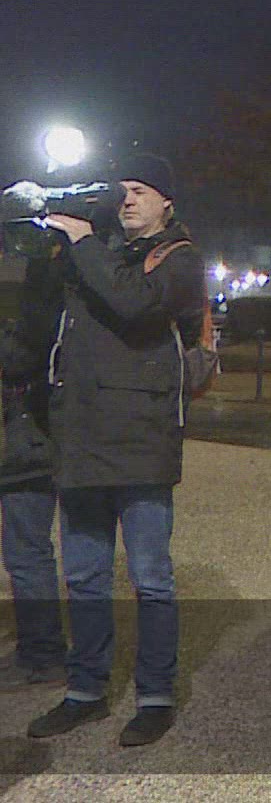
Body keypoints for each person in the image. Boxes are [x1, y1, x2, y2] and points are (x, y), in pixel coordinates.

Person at [28, 153, 205, 747]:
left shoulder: (179, 258)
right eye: (119, 189)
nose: (126, 199)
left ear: (166, 204)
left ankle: (155, 695)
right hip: (81, 441)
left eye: (140, 190)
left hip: (142, 443)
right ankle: (85, 689)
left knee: (151, 578)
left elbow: (136, 304)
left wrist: (83, 243)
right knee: (84, 577)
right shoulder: (91, 254)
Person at [0, 239, 67, 691]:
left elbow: (22, 356)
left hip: (26, 437)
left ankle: (43, 654)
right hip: (25, 435)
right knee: (25, 551)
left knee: (26, 551)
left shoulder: (28, 282)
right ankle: (37, 649)